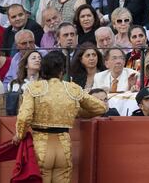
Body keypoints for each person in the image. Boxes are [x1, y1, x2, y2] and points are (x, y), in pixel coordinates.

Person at [13, 51, 106, 183]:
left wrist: (19, 135)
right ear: (62, 71)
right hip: (64, 146)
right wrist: (76, 111)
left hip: (41, 145)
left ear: (43, 69)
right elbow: (101, 107)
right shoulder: (72, 89)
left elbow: (24, 117)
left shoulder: (33, 88)